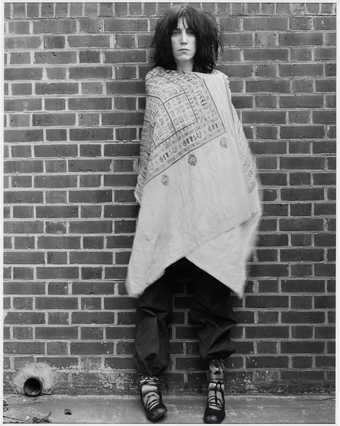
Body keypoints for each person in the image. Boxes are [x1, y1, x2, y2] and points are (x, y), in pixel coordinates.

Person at [125, 5, 262, 424]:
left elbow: (232, 142)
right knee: (153, 291)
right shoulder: (158, 85)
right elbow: (153, 147)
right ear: (167, 41)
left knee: (214, 291)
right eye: (175, 33)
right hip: (166, 204)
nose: (183, 40)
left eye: (190, 34)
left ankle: (216, 382)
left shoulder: (218, 84)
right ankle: (150, 380)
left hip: (211, 204)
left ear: (201, 41)